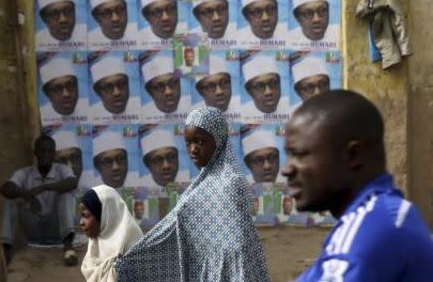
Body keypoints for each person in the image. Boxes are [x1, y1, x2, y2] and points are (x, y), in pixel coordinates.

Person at [282, 90, 433, 281]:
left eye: (300, 154)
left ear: (353, 156)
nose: (286, 170)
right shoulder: (378, 217)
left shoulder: (374, 227)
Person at [116, 107, 270, 281]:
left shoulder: (230, 181)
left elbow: (237, 246)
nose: (193, 149)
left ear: (218, 140)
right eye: (189, 142)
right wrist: (135, 257)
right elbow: (171, 227)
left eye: (201, 141)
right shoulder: (202, 182)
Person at [0, 135, 78, 266]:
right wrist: (26, 194)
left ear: (54, 154)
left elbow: (72, 182)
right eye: (42, 151)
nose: (45, 155)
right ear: (35, 153)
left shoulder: (62, 169)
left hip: (56, 229)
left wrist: (44, 187)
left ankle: (68, 248)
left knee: (66, 194)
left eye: (49, 151)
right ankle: (6, 249)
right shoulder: (25, 172)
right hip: (34, 228)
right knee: (11, 200)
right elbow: (5, 189)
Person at [80, 185, 143, 282]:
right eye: (81, 216)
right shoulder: (95, 242)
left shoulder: (133, 247)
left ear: (104, 215)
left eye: (86, 216)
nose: (81, 222)